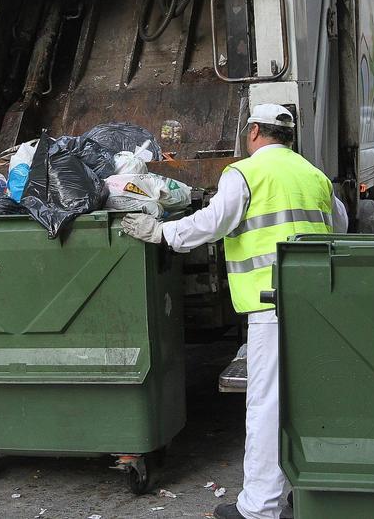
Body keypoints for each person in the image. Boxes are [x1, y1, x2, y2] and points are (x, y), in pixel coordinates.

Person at [121, 104, 346, 519]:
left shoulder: (245, 173)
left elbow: (213, 222)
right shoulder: (315, 176)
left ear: (255, 131)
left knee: (266, 407)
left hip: (271, 306)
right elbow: (341, 227)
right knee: (306, 404)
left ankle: (259, 508)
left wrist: (162, 232)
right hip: (316, 307)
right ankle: (305, 493)